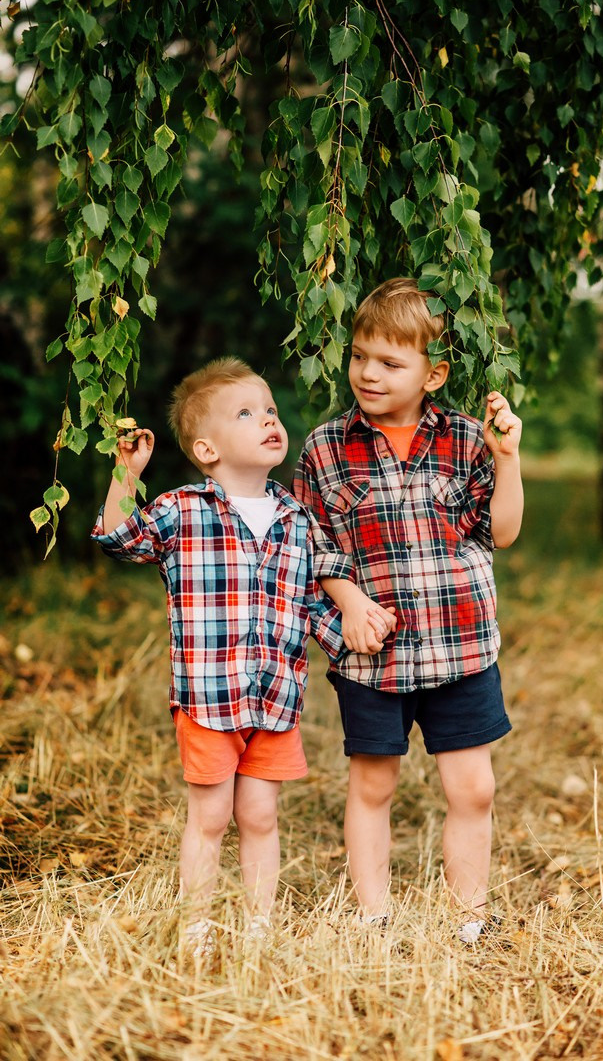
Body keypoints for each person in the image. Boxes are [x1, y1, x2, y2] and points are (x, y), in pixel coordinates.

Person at [91, 357, 395, 957]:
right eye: (247, 413)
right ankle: (195, 926)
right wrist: (127, 473)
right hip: (209, 699)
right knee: (209, 818)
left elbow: (308, 602)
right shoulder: (184, 510)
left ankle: (260, 926)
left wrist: (352, 631)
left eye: (272, 410)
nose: (269, 421)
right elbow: (117, 540)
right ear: (207, 448)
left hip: (275, 699)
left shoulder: (297, 518)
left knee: (258, 816)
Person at [293, 279, 523, 943]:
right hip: (372, 655)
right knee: (372, 786)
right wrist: (349, 599)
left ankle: (470, 915)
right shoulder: (326, 448)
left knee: (472, 787)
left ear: (433, 373)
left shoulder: (463, 440)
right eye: (359, 355)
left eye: (390, 362)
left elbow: (500, 532)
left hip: (460, 647)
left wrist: (507, 460)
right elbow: (312, 542)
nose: (368, 372)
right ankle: (371, 915)